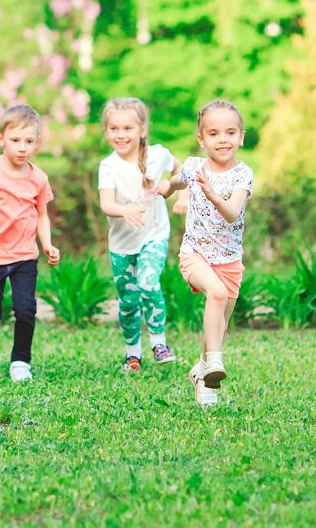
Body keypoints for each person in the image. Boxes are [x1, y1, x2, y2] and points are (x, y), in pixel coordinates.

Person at [160, 100, 253, 407]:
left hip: (229, 260)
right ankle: (214, 362)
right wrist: (167, 189)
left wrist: (213, 194)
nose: (222, 139)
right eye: (213, 133)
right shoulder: (193, 166)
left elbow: (232, 213)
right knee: (215, 294)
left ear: (241, 136)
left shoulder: (243, 174)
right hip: (195, 254)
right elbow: (178, 179)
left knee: (218, 325)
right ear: (202, 140)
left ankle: (203, 375)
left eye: (230, 132)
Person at [0, 105, 59, 382]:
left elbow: (42, 215)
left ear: (38, 142)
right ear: (1, 139)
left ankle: (21, 361)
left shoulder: (38, 178)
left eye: (29, 141)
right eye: (15, 140)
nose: (22, 148)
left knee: (26, 309)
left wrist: (47, 244)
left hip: (24, 256)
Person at [97, 98, 178, 372]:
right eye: (114, 129)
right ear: (106, 131)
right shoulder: (108, 166)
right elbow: (106, 204)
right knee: (128, 301)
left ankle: (159, 342)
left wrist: (177, 192)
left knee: (148, 283)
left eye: (128, 128)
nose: (121, 135)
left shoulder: (157, 154)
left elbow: (180, 171)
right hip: (121, 245)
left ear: (142, 129)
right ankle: (133, 354)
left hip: (154, 235)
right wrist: (125, 211)